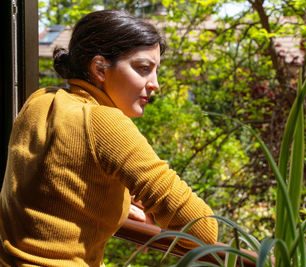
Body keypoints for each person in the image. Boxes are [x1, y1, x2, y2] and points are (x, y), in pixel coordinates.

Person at [0, 10, 218, 266]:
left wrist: (124, 201)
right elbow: (204, 230)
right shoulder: (105, 123)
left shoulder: (40, 101)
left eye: (156, 70)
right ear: (99, 69)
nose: (155, 83)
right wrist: (143, 209)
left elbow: (64, 189)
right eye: (143, 69)